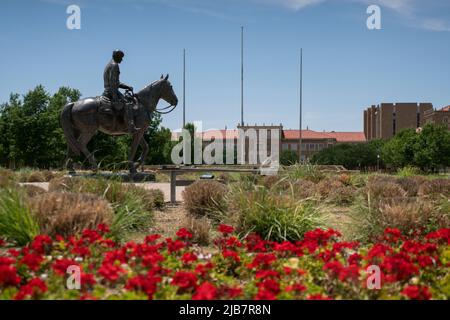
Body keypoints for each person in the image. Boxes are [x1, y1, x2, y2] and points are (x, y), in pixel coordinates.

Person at [103, 50, 140, 133]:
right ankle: (131, 127)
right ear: (116, 56)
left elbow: (116, 82)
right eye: (121, 57)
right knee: (128, 104)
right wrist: (115, 96)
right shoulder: (114, 65)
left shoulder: (109, 64)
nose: (122, 60)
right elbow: (113, 83)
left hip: (109, 90)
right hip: (112, 91)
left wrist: (127, 86)